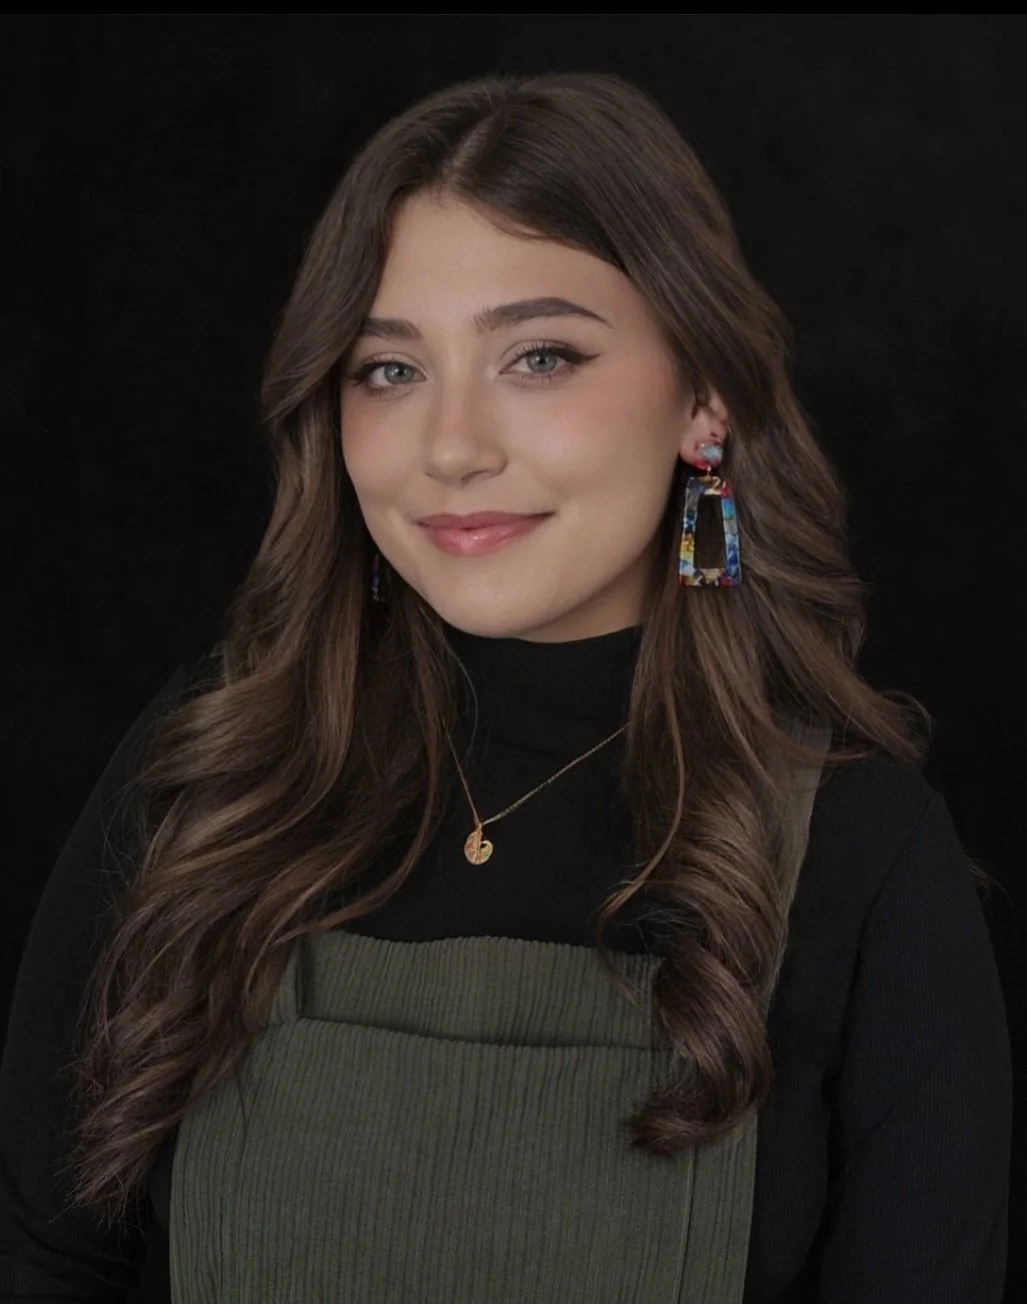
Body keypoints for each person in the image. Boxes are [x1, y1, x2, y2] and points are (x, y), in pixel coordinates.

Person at [0, 70, 1013, 1304]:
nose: (451, 447)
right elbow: (48, 1257)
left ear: (703, 399)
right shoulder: (212, 767)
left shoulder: (864, 854)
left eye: (539, 356)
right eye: (389, 369)